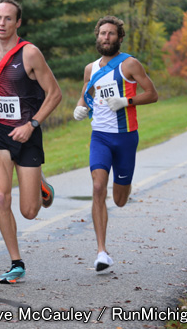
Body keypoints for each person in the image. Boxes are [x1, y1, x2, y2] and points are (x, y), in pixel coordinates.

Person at [0, 0, 62, 284]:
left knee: (29, 211)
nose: (2, 23)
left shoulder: (30, 54)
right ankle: (16, 262)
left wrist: (33, 123)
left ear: (17, 22)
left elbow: (55, 94)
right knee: (0, 196)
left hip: (26, 133)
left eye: (8, 18)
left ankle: (39, 184)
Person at [73, 15, 158, 272]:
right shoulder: (90, 68)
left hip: (125, 137)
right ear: (97, 37)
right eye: (102, 33)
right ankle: (101, 252)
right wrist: (79, 107)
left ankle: (125, 185)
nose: (105, 37)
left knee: (119, 199)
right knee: (98, 187)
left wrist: (126, 101)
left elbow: (152, 94)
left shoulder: (130, 64)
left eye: (111, 34)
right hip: (99, 136)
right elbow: (87, 93)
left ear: (119, 38)